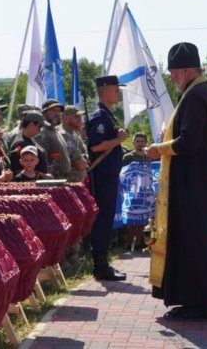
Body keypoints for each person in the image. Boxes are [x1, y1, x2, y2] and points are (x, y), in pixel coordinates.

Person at [147, 42, 207, 321]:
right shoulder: (200, 92)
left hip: (192, 180)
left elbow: (189, 141)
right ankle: (192, 299)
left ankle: (198, 302)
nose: (172, 77)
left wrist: (160, 149)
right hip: (193, 178)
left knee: (193, 239)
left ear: (189, 69)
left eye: (175, 71)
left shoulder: (196, 96)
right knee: (191, 238)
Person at [86, 75, 129, 282]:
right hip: (102, 178)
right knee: (102, 220)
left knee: (106, 218)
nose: (117, 93)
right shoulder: (100, 117)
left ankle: (102, 262)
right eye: (115, 89)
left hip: (109, 176)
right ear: (104, 91)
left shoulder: (108, 115)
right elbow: (95, 146)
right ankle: (100, 265)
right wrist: (118, 139)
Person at [60, 105, 88, 183]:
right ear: (66, 119)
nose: (80, 119)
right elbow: (81, 164)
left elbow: (86, 156)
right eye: (76, 117)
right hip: (68, 182)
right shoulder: (64, 135)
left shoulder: (75, 133)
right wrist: (84, 158)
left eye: (80, 116)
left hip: (77, 182)